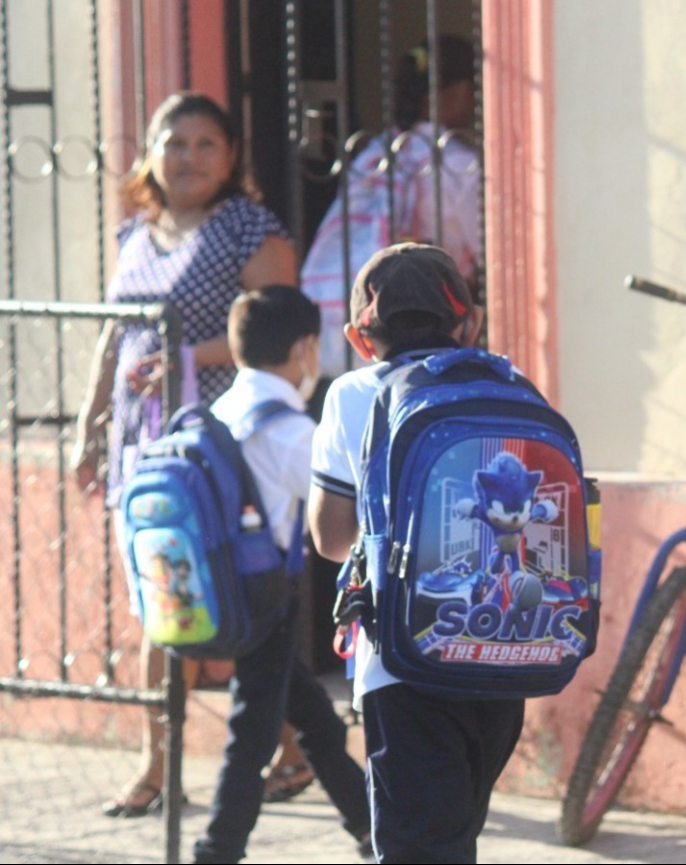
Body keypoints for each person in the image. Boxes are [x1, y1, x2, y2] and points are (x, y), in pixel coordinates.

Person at [69, 91, 298, 818]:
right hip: (142, 445)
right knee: (158, 598)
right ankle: (159, 765)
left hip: (216, 443)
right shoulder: (133, 233)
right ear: (150, 154)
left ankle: (294, 744)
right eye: (175, 142)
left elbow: (278, 324)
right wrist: (88, 424)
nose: (189, 157)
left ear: (230, 158)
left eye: (206, 145)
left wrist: (183, 356)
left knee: (230, 601)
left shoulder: (247, 227)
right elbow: (114, 335)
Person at [308, 243, 523, 863]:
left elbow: (331, 538)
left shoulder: (354, 393)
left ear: (358, 336)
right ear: (470, 322)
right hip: (507, 647)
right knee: (455, 833)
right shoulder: (509, 385)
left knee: (418, 847)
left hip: (404, 660)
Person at [193, 285, 370, 863]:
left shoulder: (219, 412)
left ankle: (371, 829)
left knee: (316, 721)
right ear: (304, 348)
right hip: (265, 596)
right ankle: (216, 852)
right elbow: (342, 513)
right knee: (253, 736)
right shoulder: (291, 431)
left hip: (226, 591)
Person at [301, 34, 482, 380]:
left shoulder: (376, 155)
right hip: (433, 321)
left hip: (368, 324)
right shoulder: (458, 164)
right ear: (460, 92)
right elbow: (483, 247)